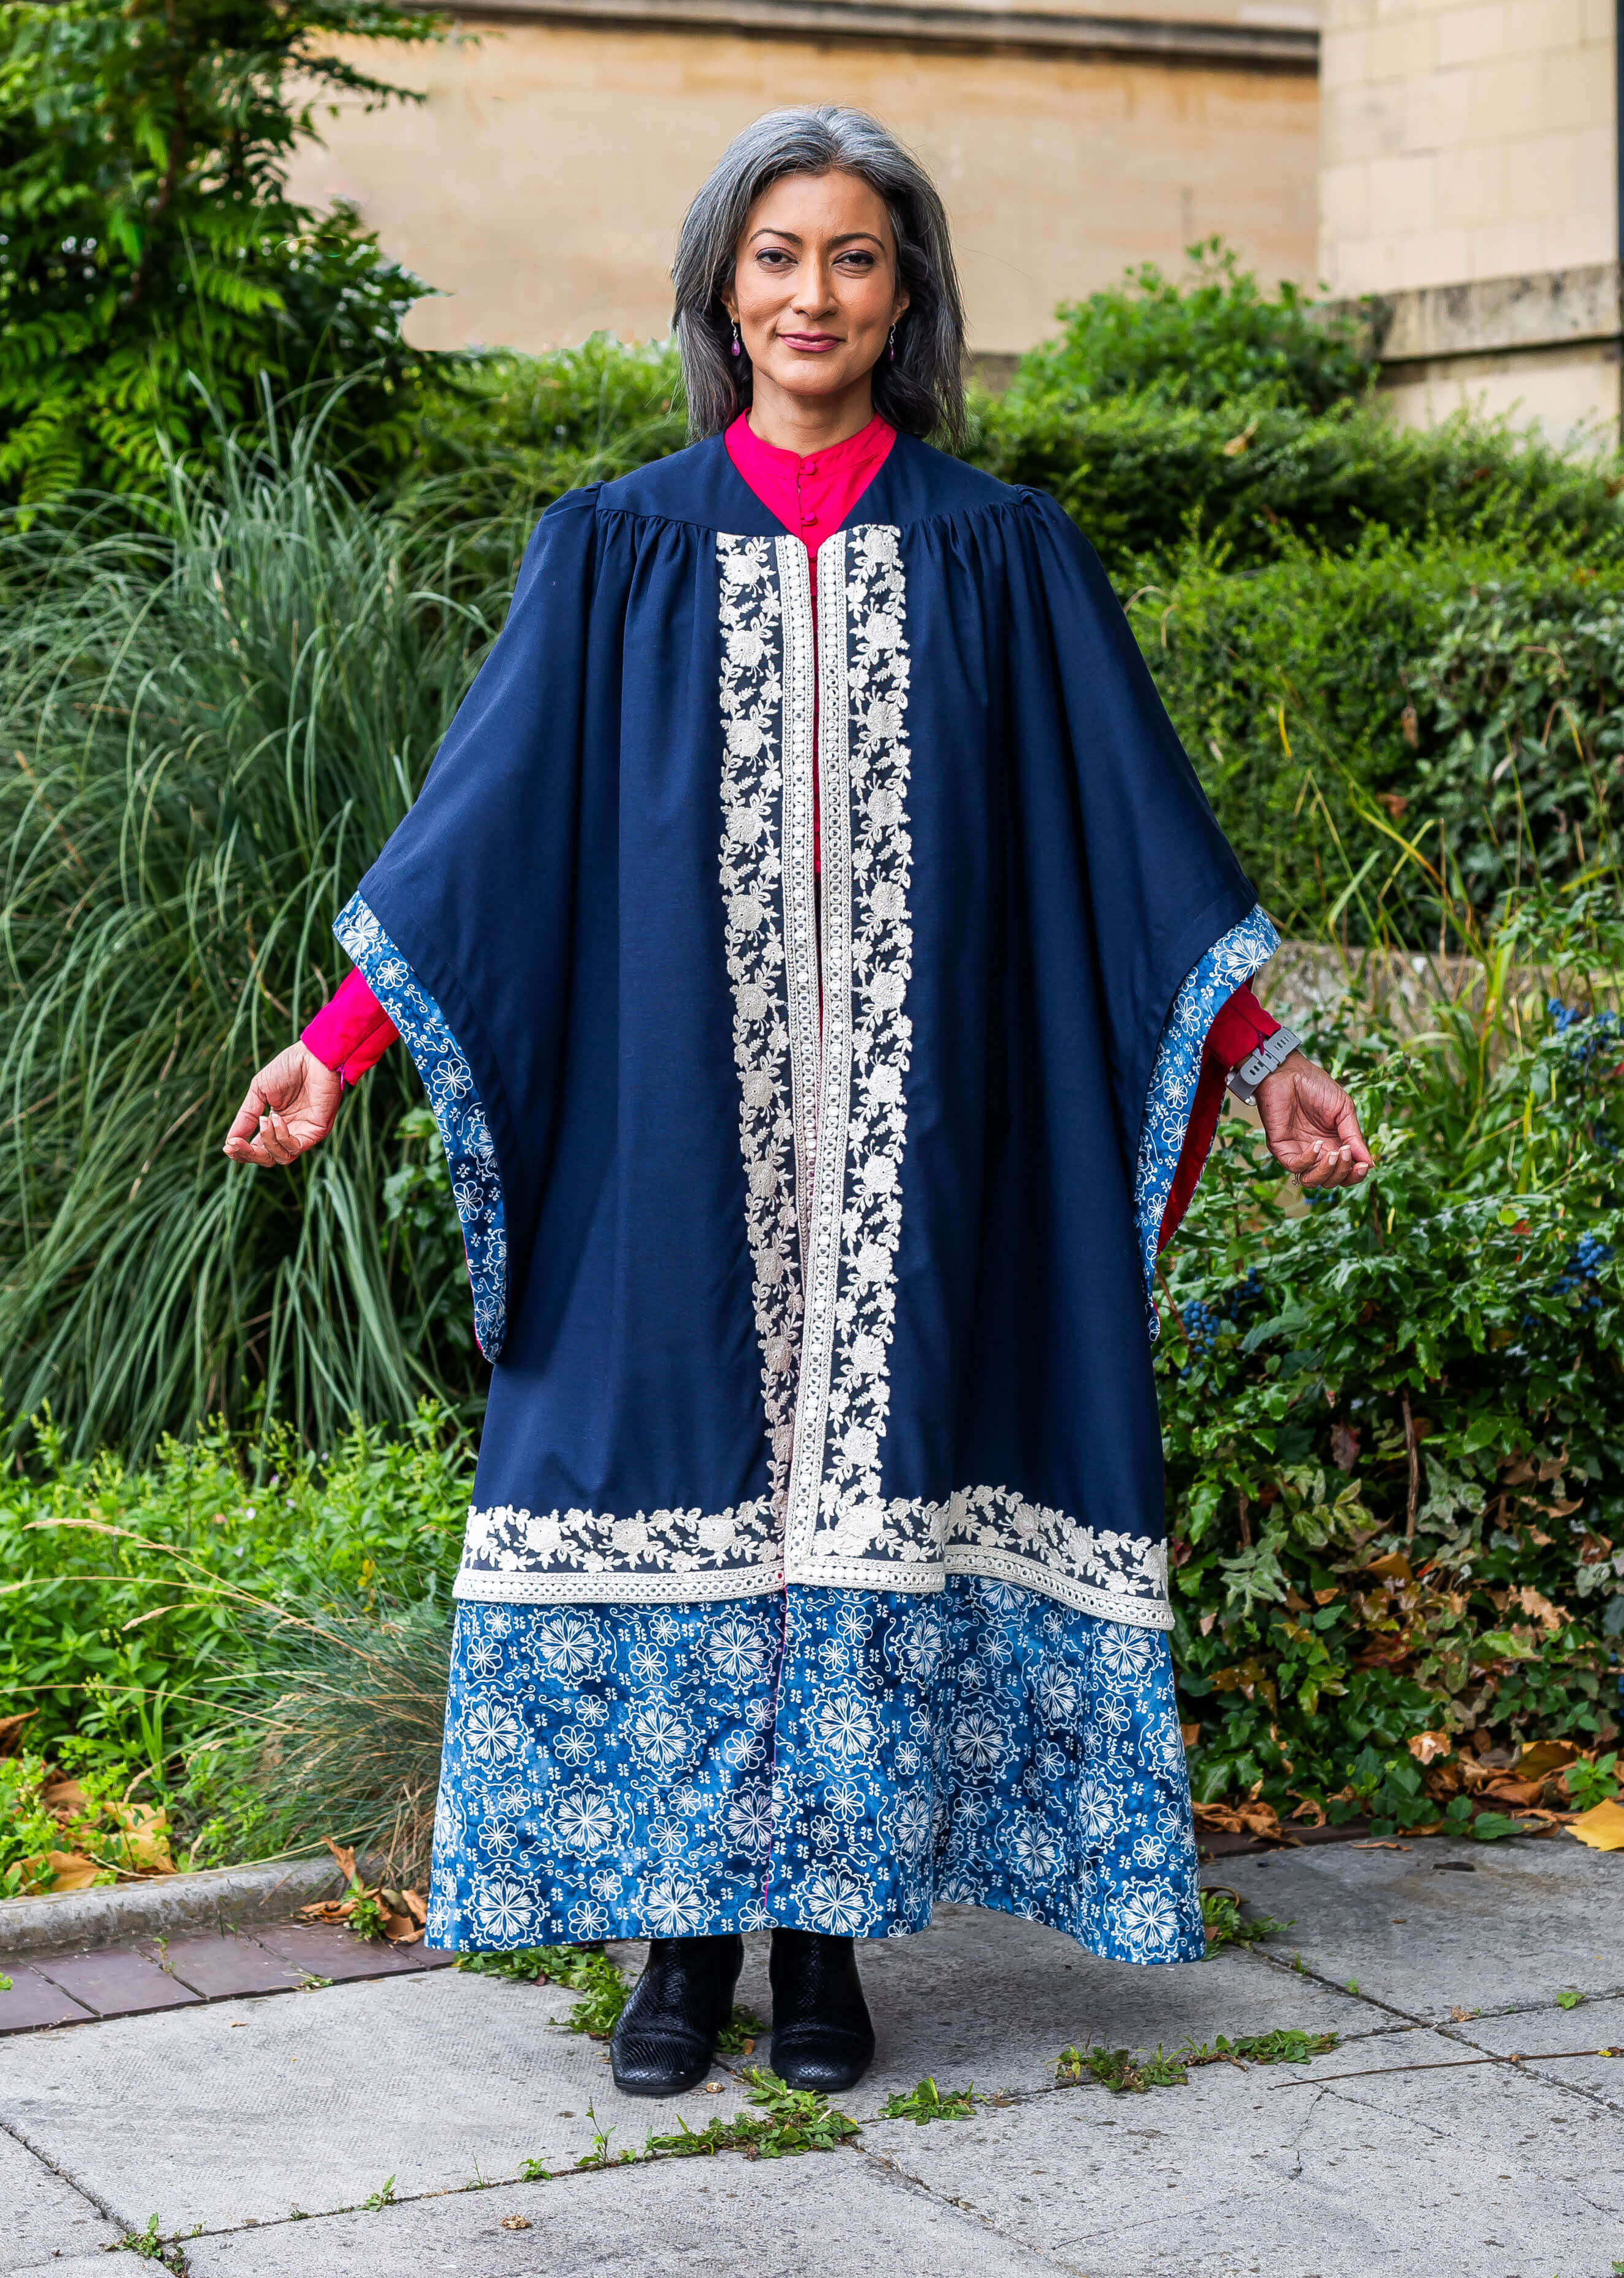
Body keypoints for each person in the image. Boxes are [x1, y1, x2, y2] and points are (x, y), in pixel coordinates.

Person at [224, 106, 1371, 2099]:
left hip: (929, 1151)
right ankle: (680, 1960)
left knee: (875, 1491)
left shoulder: (1004, 560)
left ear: (905, 295)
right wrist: (334, 1048)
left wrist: (1267, 1062)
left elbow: (1135, 841)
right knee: (678, 1465)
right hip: (675, 1144)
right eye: (776, 256)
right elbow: (478, 837)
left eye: (854, 257)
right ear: (718, 290)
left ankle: (825, 1954)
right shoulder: (617, 551)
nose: (812, 294)